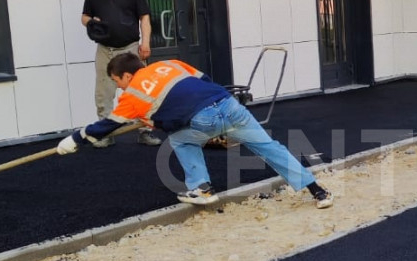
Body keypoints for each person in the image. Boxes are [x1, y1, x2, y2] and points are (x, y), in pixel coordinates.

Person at [57, 52, 334, 209]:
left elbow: (107, 125)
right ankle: (318, 191)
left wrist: (75, 139)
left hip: (203, 120)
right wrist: (163, 119)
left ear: (127, 75)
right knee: (270, 148)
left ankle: (202, 188)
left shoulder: (133, 95)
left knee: (180, 140)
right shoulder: (170, 64)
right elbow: (204, 80)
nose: (118, 87)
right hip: (229, 105)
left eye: (117, 81)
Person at [81, 0, 159, 145]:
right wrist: (91, 22)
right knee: (103, 94)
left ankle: (145, 132)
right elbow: (84, 17)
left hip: (130, 49)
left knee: (140, 90)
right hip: (104, 50)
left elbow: (144, 18)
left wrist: (146, 43)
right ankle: (105, 135)